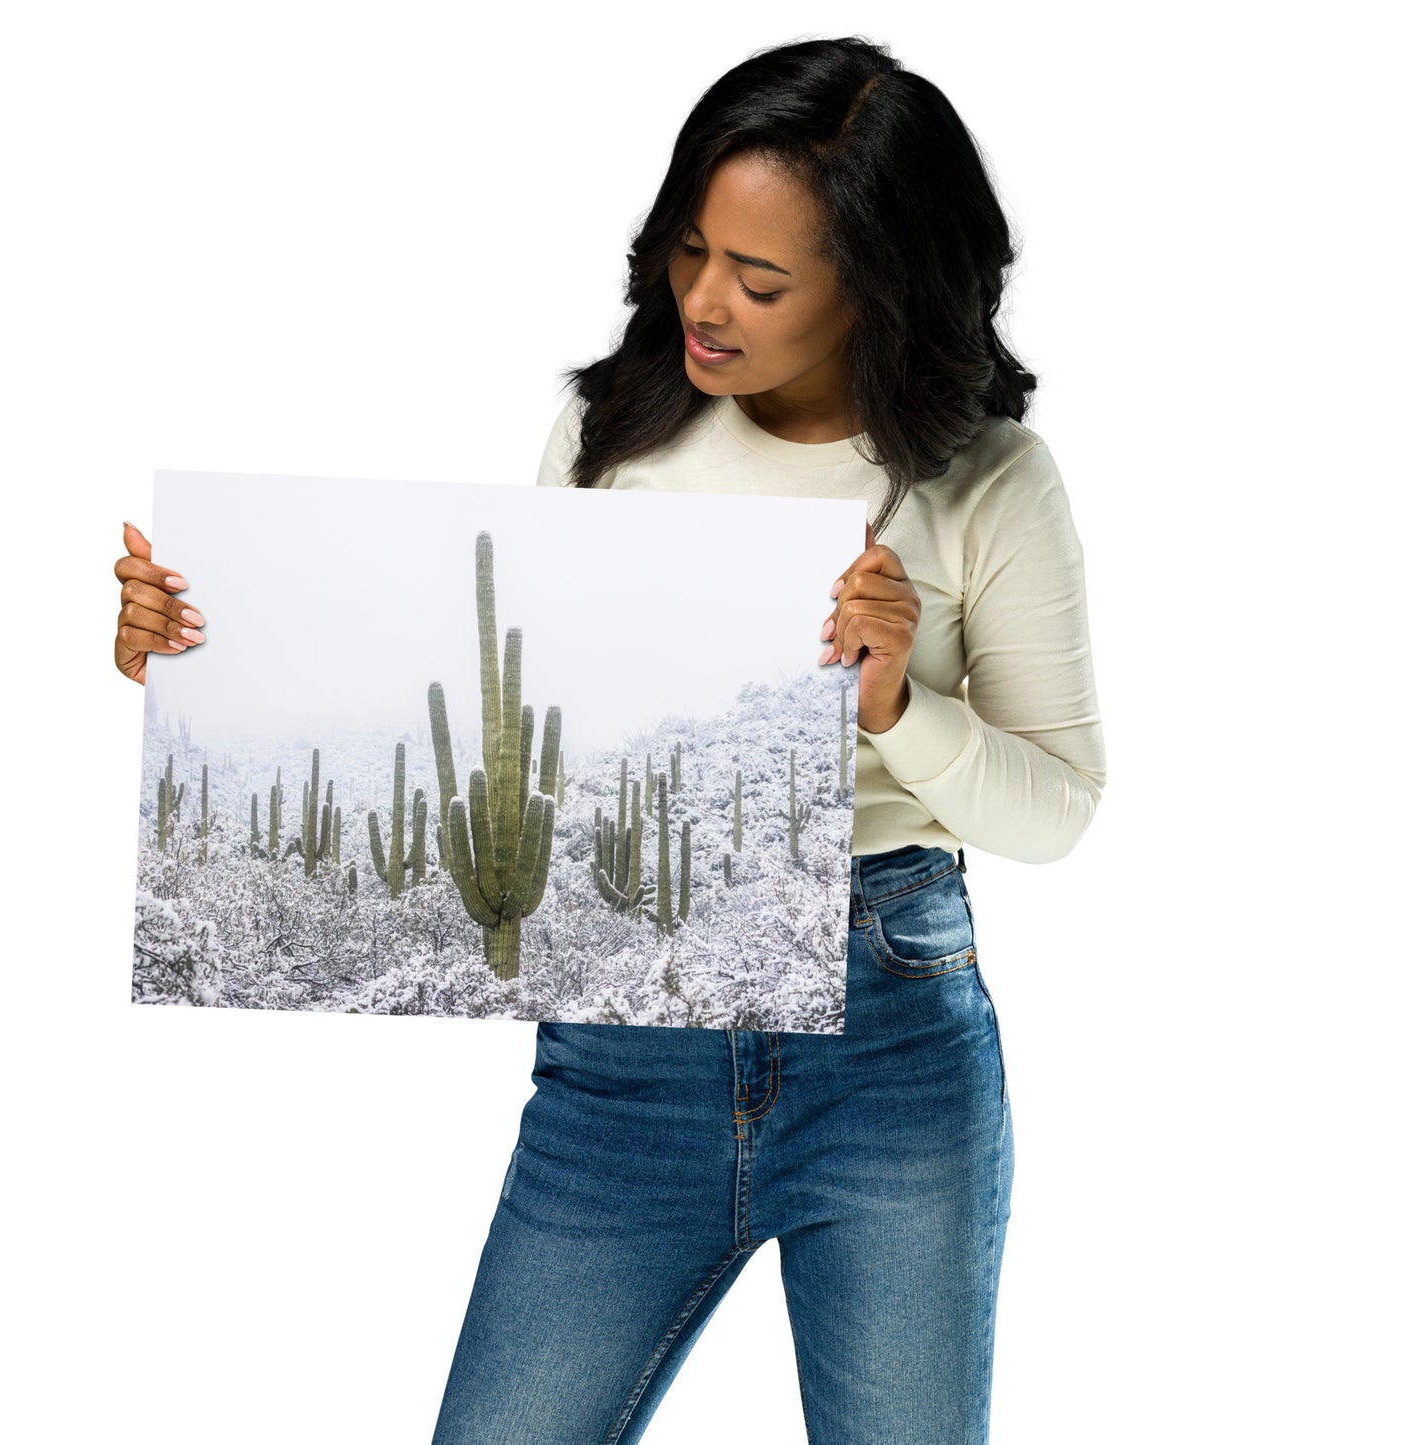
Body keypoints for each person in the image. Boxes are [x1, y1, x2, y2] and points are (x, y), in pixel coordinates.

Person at [114, 35, 1106, 1444]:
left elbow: (1058, 810)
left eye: (759, 280)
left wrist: (895, 703)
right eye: (689, 250)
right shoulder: (606, 431)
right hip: (622, 1066)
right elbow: (512, 733)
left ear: (876, 286)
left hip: (887, 1044)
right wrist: (204, 658)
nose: (703, 300)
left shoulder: (990, 479)